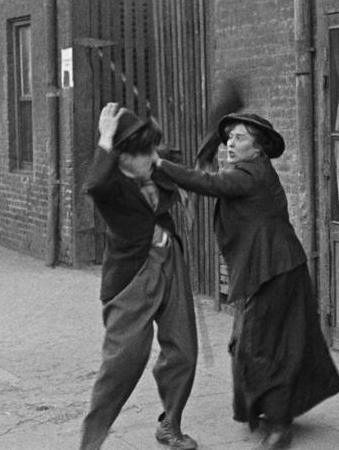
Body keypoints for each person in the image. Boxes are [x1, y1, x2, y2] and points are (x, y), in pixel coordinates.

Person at [155, 113, 339, 450]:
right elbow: (212, 179)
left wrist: (158, 164)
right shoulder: (248, 171)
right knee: (262, 343)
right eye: (229, 137)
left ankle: (280, 427)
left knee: (258, 347)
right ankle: (272, 409)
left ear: (258, 149)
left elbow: (208, 183)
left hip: (275, 270)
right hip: (270, 269)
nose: (230, 143)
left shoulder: (251, 174)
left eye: (240, 138)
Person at [80, 103, 198, 450]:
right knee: (123, 362)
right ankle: (90, 442)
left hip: (170, 261)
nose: (152, 157)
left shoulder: (152, 164)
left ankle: (170, 424)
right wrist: (105, 138)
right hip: (132, 276)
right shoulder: (110, 184)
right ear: (122, 157)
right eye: (144, 153)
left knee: (184, 351)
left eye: (152, 149)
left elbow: (173, 158)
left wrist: (177, 181)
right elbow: (93, 183)